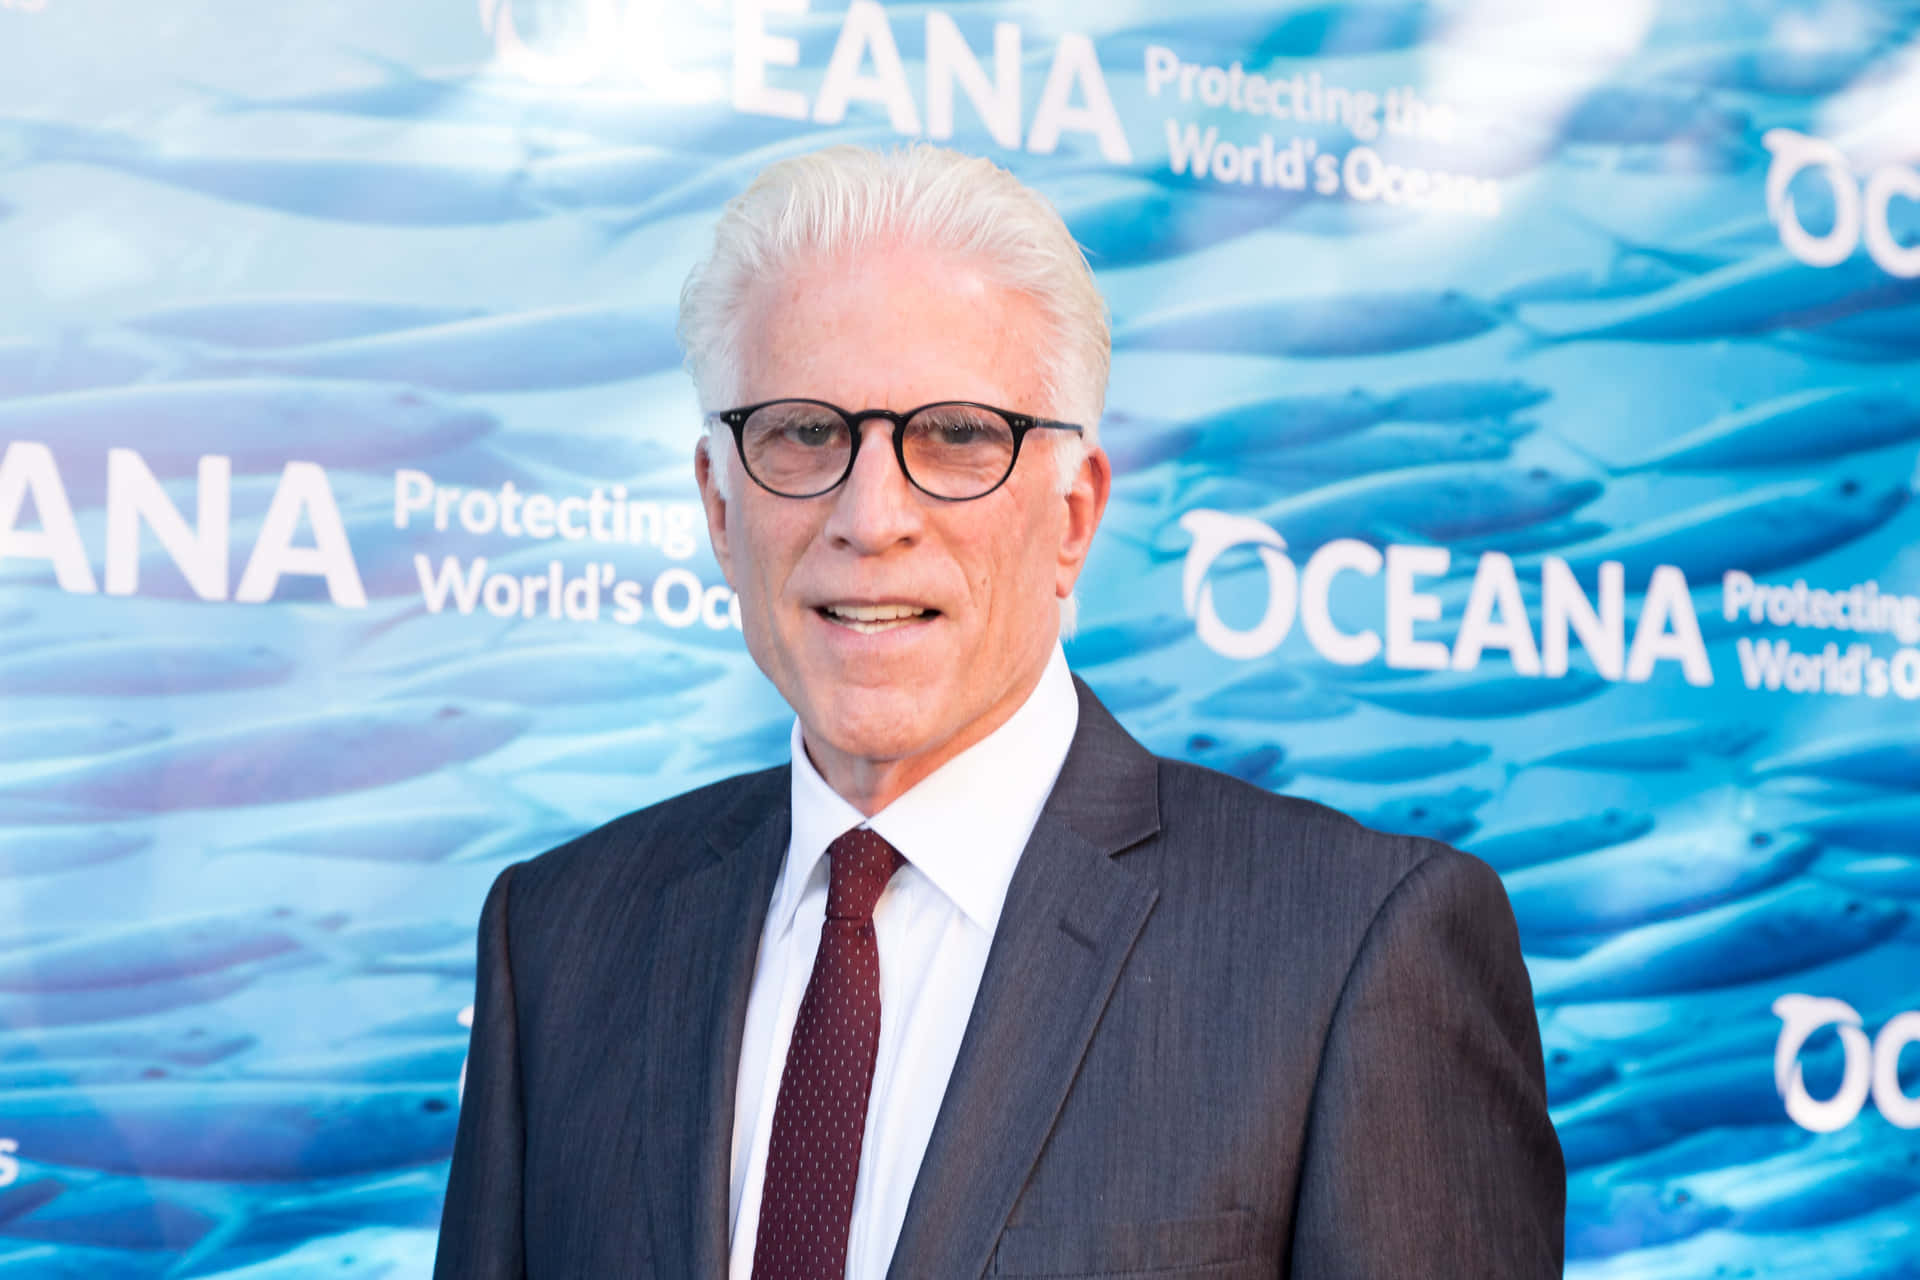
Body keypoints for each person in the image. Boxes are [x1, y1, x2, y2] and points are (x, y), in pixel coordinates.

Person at [433, 143, 1564, 1280]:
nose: (871, 517)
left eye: (958, 436)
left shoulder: (1354, 949)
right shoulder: (560, 937)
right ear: (718, 509)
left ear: (1073, 517)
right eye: (803, 432)